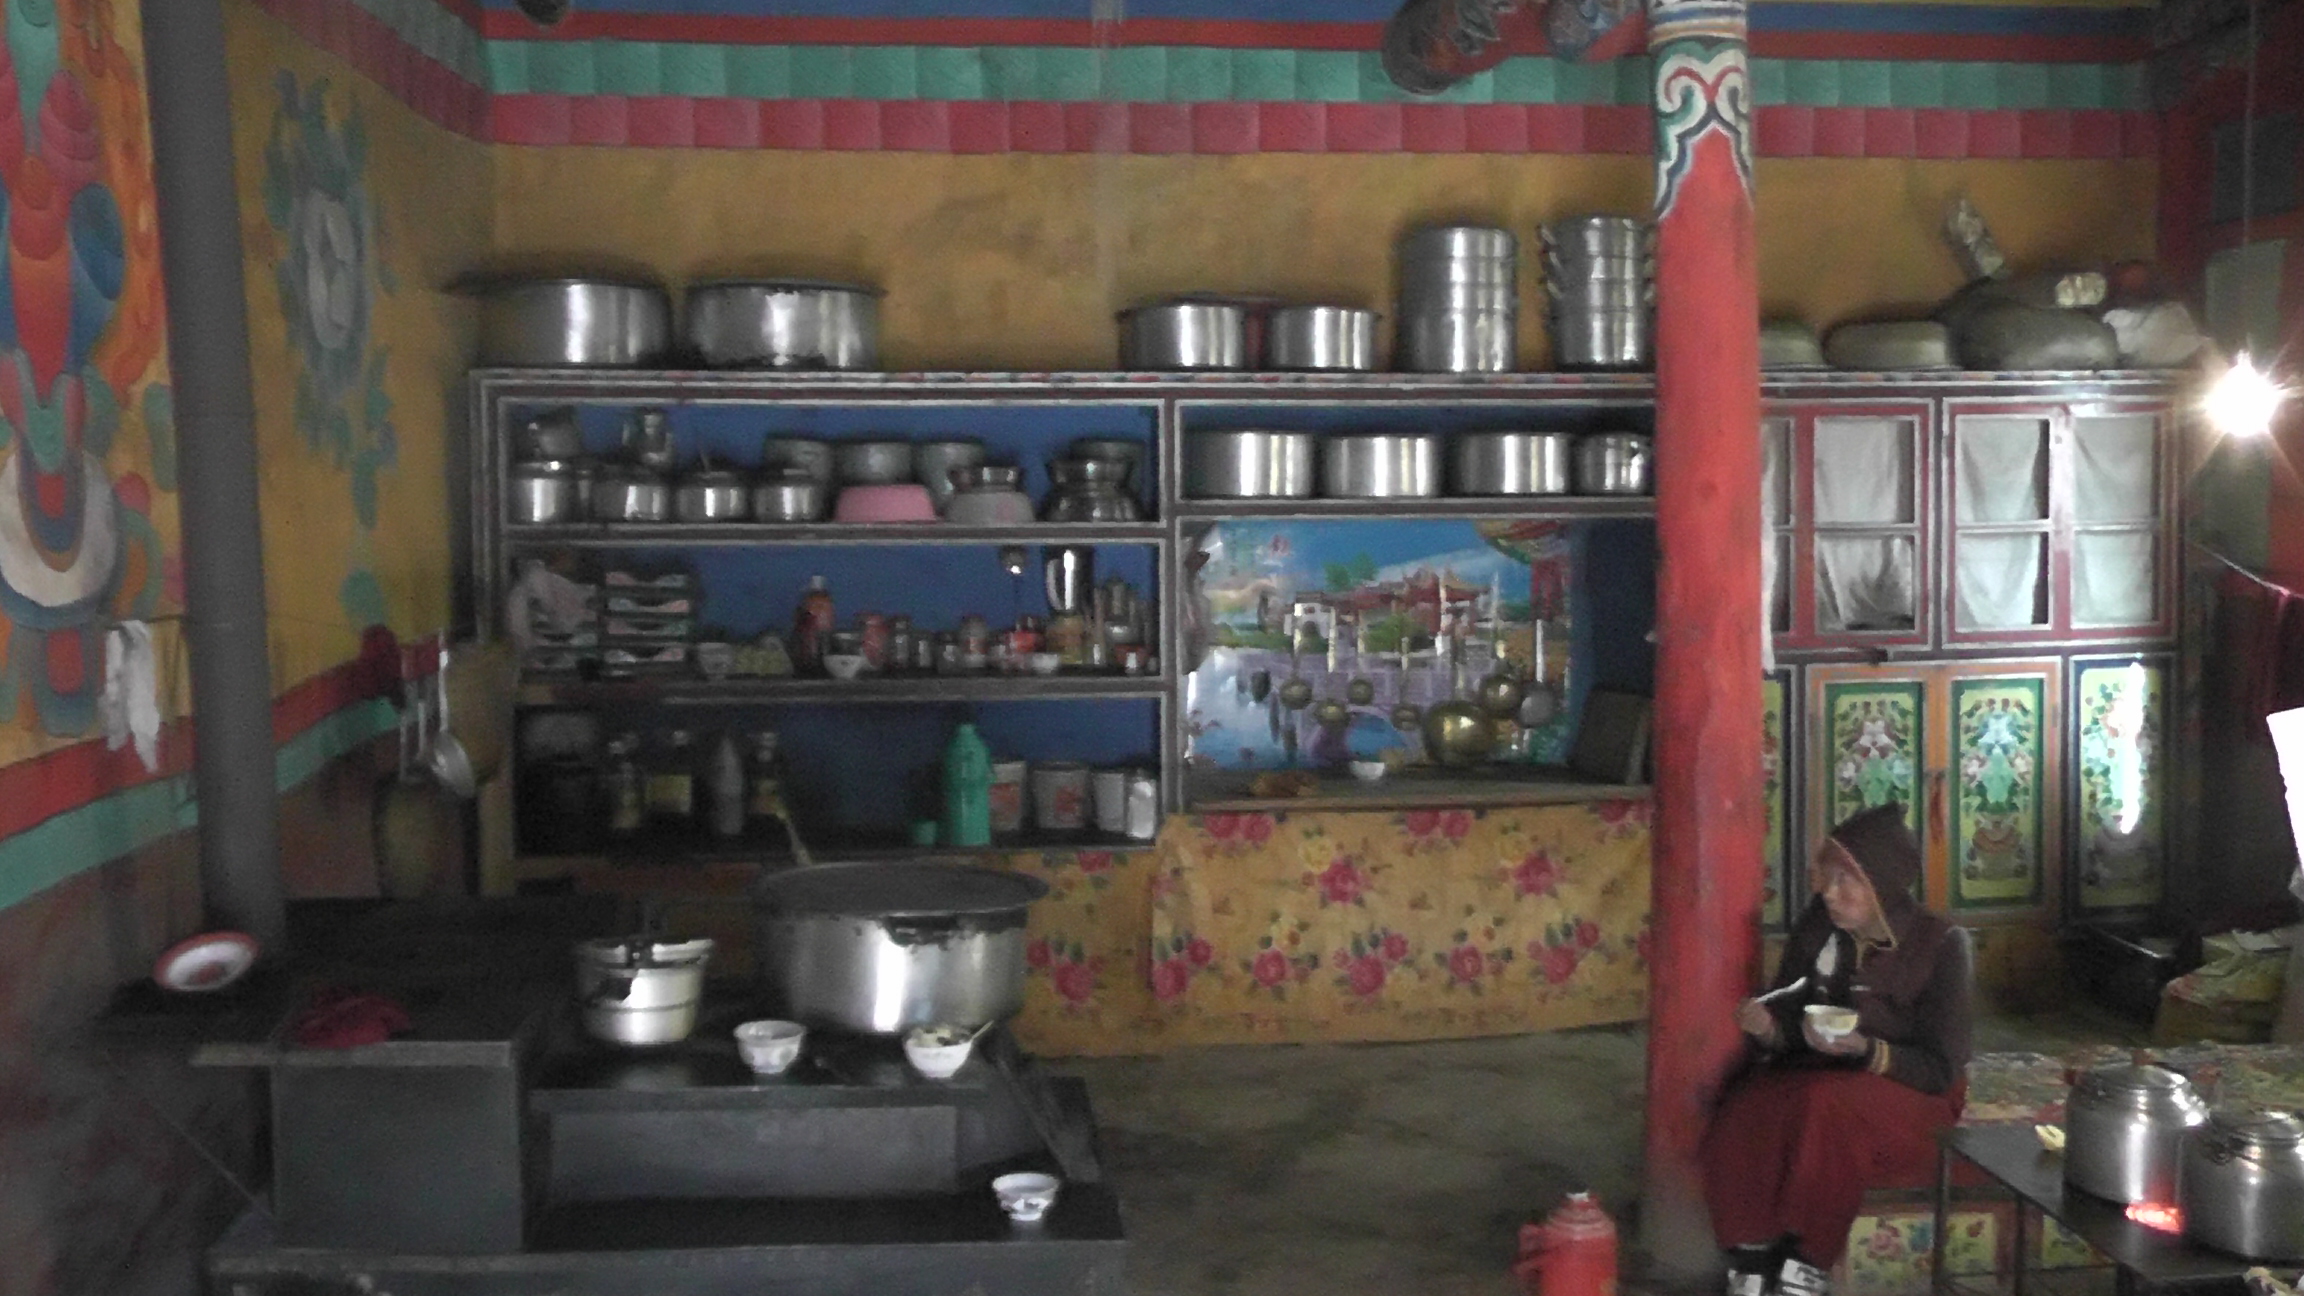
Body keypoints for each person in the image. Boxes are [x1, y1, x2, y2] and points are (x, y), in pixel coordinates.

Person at [1700, 802, 1974, 1296]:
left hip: (1915, 1089)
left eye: (1845, 880)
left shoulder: (1942, 945)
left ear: (1881, 885)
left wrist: (1867, 1051)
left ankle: (1807, 1260)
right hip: (1824, 1071)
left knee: (1823, 1106)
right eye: (1826, 878)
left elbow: (1941, 1067)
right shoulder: (1819, 926)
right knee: (1745, 1104)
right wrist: (1769, 1028)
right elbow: (1789, 1007)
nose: (1829, 892)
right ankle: (1751, 1253)